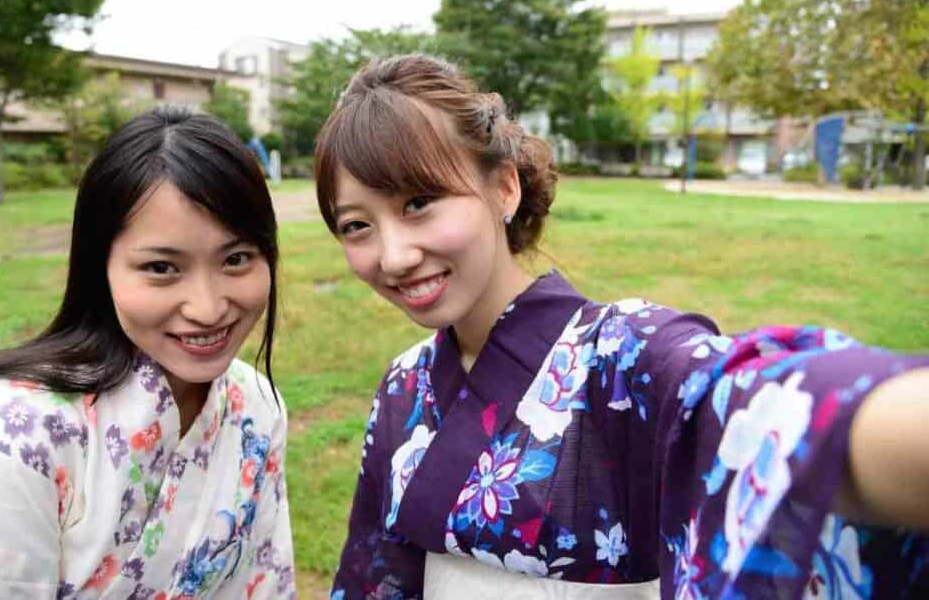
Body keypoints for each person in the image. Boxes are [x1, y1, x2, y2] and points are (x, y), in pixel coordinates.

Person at [313, 54, 929, 598]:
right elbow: (378, 573)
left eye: (418, 203)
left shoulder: (623, 354)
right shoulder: (403, 385)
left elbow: (750, 397)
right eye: (356, 226)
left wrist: (877, 421)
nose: (392, 256)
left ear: (503, 189)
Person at [0, 108, 295, 599]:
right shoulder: (11, 432)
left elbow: (261, 581)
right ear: (100, 265)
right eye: (161, 267)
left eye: (236, 260)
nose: (208, 307)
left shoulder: (256, 406)